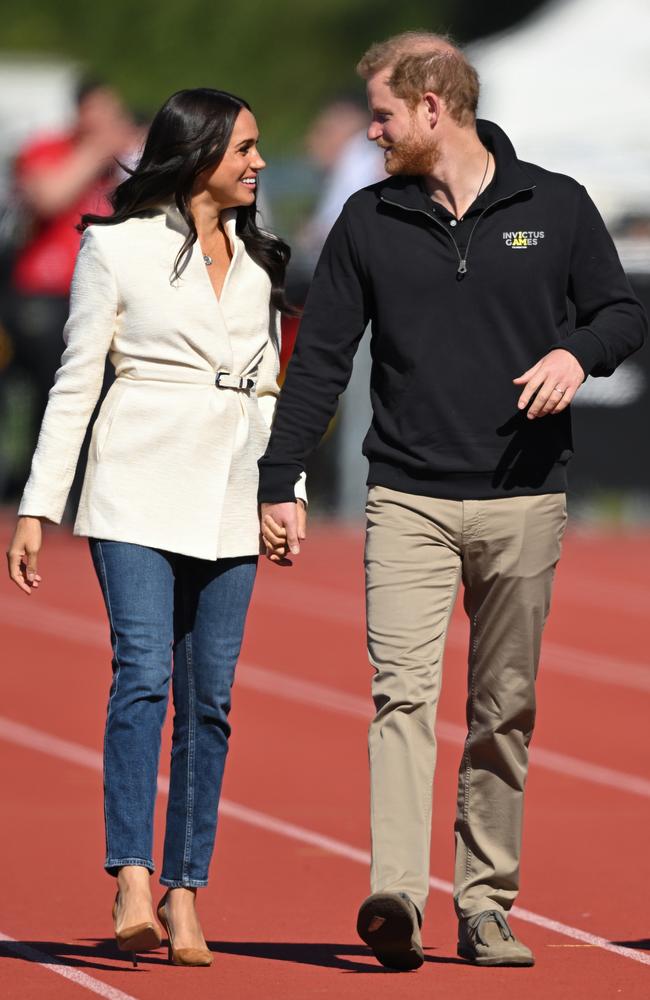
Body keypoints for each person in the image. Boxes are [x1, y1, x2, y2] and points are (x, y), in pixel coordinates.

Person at [257, 32, 647, 970]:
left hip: (524, 500)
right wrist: (278, 476)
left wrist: (576, 354)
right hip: (406, 499)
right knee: (401, 695)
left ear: (436, 107)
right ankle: (397, 891)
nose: (372, 132)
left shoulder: (555, 205)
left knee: (502, 710)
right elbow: (319, 359)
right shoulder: (367, 218)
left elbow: (622, 313)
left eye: (385, 115)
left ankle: (486, 905)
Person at [6, 87, 306, 967]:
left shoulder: (260, 264)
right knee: (141, 673)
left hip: (228, 499)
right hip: (133, 488)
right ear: (200, 151)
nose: (257, 163)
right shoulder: (117, 247)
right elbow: (75, 382)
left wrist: (274, 492)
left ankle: (186, 889)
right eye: (244, 147)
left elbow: (264, 393)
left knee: (208, 703)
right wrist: (37, 506)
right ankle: (132, 873)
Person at [8, 78, 135, 474]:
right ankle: (43, 484)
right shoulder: (47, 149)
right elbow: (49, 196)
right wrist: (96, 150)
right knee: (59, 391)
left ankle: (83, 487)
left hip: (105, 293)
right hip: (45, 295)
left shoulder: (125, 156)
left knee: (107, 395)